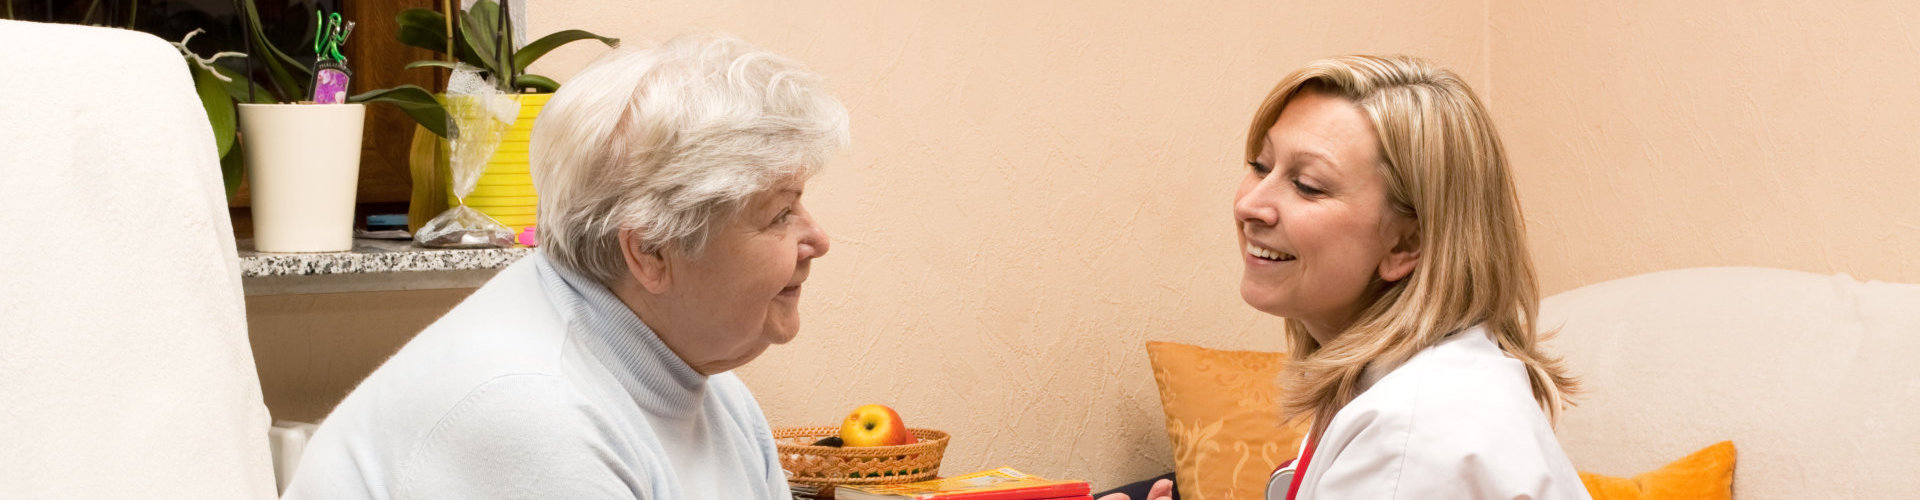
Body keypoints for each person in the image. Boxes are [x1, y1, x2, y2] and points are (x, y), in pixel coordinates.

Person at [283, 33, 848, 499]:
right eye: (779, 214)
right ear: (650, 251)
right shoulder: (533, 410)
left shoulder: (709, 391)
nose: (816, 238)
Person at [1104, 55, 1585, 500]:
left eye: (1307, 185)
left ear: (1405, 245)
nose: (1249, 205)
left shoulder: (1413, 434)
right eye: (1261, 166)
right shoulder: (1404, 392)